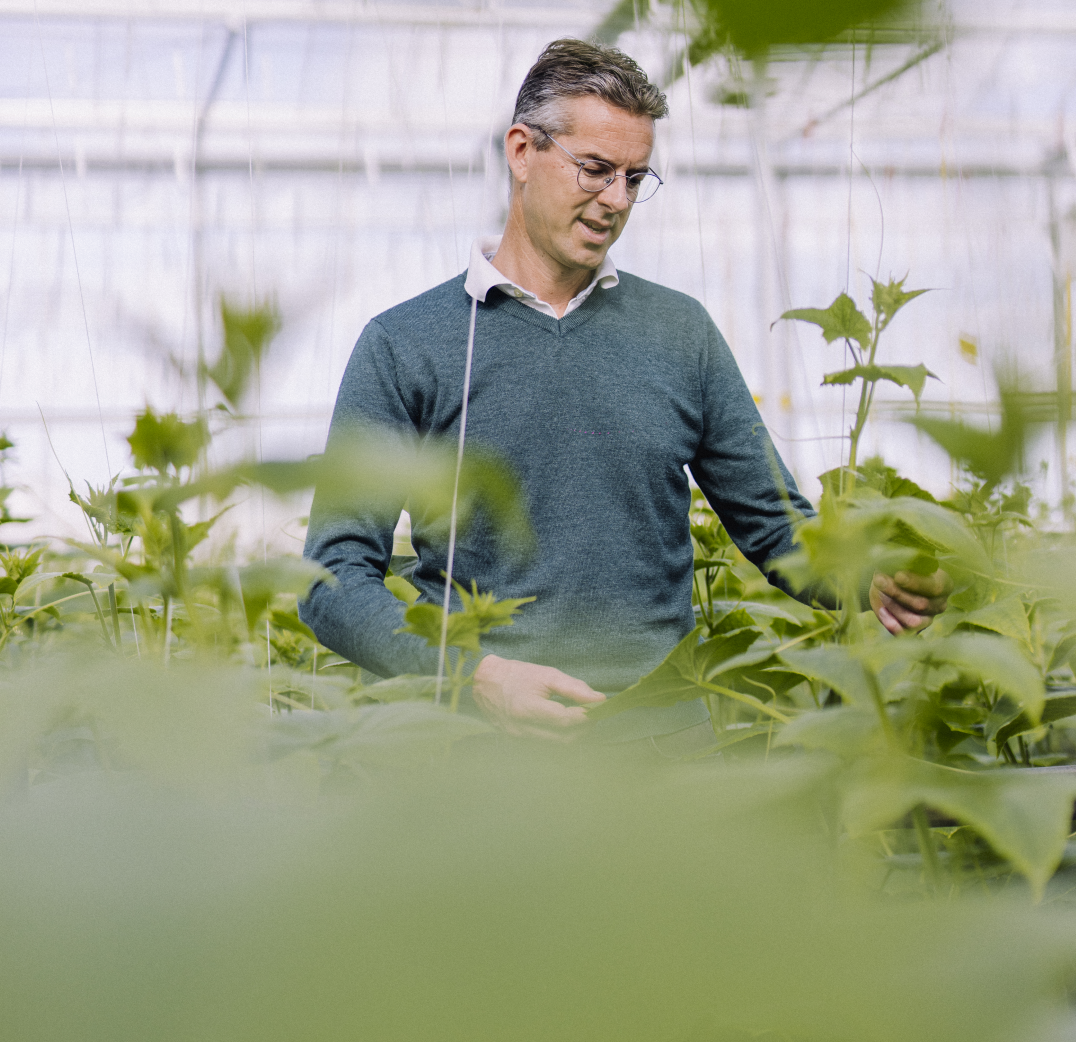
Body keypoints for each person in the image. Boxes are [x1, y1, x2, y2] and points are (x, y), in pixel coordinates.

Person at [301, 39, 947, 740]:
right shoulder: (407, 344)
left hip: (661, 753)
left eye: (635, 178)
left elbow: (775, 525)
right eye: (595, 170)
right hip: (480, 757)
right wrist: (472, 677)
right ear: (522, 152)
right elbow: (332, 579)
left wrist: (873, 575)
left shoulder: (679, 332)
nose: (615, 200)